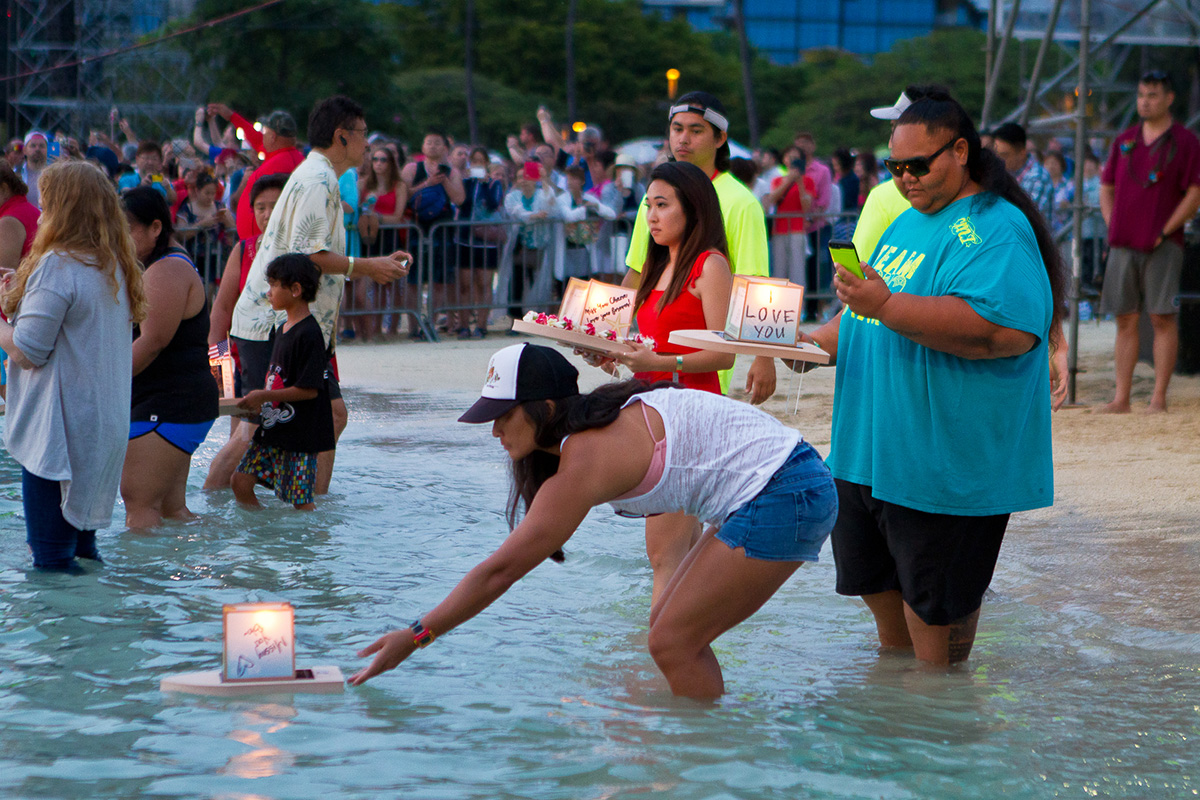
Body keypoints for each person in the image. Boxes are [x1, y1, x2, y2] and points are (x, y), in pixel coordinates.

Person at [349, 343, 837, 699]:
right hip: (784, 479)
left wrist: (415, 636)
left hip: (787, 489)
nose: (493, 429)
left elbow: (501, 571)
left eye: (502, 414)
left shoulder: (586, 456)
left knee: (670, 642)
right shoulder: (598, 422)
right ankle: (696, 747)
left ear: (543, 408)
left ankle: (706, 766)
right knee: (668, 631)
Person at [798, 87, 1065, 666]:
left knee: (934, 623)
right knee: (879, 595)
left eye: (918, 165)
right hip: (869, 452)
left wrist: (885, 306)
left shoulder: (991, 225)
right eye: (896, 166)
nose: (905, 179)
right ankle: (907, 725)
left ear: (961, 151)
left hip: (940, 462)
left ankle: (940, 734)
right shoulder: (907, 222)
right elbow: (862, 314)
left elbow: (1001, 330)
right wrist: (808, 343)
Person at [229, 95, 410, 494]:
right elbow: (306, 255)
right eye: (362, 135)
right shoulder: (318, 179)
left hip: (296, 321)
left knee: (330, 415)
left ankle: (309, 503)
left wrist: (372, 262)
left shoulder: (319, 174)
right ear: (342, 136)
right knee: (258, 425)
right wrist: (369, 266)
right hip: (273, 321)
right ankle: (212, 502)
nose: (368, 145)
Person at [581, 161, 736, 603]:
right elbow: (645, 355)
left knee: (665, 557)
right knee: (678, 559)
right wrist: (610, 357)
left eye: (662, 206)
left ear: (693, 209)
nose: (650, 216)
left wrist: (661, 360)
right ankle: (683, 654)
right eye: (648, 205)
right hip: (656, 412)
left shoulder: (709, 265)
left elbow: (723, 353)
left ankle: (659, 659)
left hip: (690, 416)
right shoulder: (655, 267)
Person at [0, 161, 146, 570]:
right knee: (82, 550)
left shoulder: (57, 264)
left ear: (64, 210)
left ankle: (68, 635)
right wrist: (21, 291)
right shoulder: (112, 265)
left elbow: (29, 350)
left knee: (51, 563)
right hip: (101, 427)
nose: (40, 215)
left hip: (60, 431)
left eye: (46, 206)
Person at [621, 91, 776, 404]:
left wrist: (765, 357)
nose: (683, 139)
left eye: (696, 130)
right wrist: (607, 338)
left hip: (706, 362)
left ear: (720, 139)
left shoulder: (742, 202)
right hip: (655, 363)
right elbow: (637, 273)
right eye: (677, 129)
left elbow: (757, 284)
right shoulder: (654, 196)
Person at [1098, 70, 1200, 414]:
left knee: (1162, 316)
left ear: (1169, 98)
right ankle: (1121, 397)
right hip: (1124, 242)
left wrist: (1166, 229)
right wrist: (1114, 226)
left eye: (1153, 94)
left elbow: (1194, 194)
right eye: (1141, 94)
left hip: (1164, 242)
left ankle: (1158, 397)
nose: (1145, 101)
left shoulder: (1185, 142)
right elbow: (1106, 187)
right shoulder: (1125, 139)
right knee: (1125, 317)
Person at [120, 187, 219, 528]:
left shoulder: (166, 270)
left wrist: (102, 384)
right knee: (172, 511)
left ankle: (142, 581)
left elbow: (152, 342)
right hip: (178, 402)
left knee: (139, 503)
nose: (120, 240)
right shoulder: (166, 265)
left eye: (127, 230)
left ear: (156, 228)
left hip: (168, 403)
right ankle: (198, 570)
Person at [204, 173, 289, 490]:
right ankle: (213, 509)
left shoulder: (307, 252)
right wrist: (221, 382)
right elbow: (219, 319)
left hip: (286, 367)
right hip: (245, 368)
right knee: (241, 447)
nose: (267, 214)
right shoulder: (245, 250)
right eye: (260, 207)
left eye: (275, 206)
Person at [232, 254, 335, 510]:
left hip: (299, 435)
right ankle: (264, 534)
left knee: (300, 502)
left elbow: (310, 390)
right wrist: (261, 401)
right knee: (240, 481)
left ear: (296, 290)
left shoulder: (309, 333)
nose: (269, 292)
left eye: (274, 285)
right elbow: (277, 380)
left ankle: (307, 543)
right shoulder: (282, 329)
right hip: (274, 427)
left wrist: (262, 397)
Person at [208, 104, 305, 240]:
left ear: (272, 137)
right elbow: (256, 138)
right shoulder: (288, 156)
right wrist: (232, 117)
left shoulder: (280, 164)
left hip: (262, 246)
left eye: (264, 132)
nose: (261, 136)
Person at [763, 145, 815, 288]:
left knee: (797, 270)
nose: (792, 160)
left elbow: (806, 206)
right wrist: (788, 180)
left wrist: (799, 182)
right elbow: (772, 199)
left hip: (797, 228)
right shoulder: (777, 180)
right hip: (780, 228)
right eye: (789, 156)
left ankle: (800, 306)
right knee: (779, 270)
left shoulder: (808, 181)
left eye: (795, 157)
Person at [991, 122, 1053, 222]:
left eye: (1005, 155)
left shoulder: (1038, 177)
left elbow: (1026, 216)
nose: (999, 160)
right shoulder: (1004, 173)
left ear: (1021, 152)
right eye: (997, 155)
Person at [19, 131, 48, 208]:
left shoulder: (55, 174)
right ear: (24, 150)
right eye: (33, 146)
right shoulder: (15, 173)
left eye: (41, 146)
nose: (37, 149)